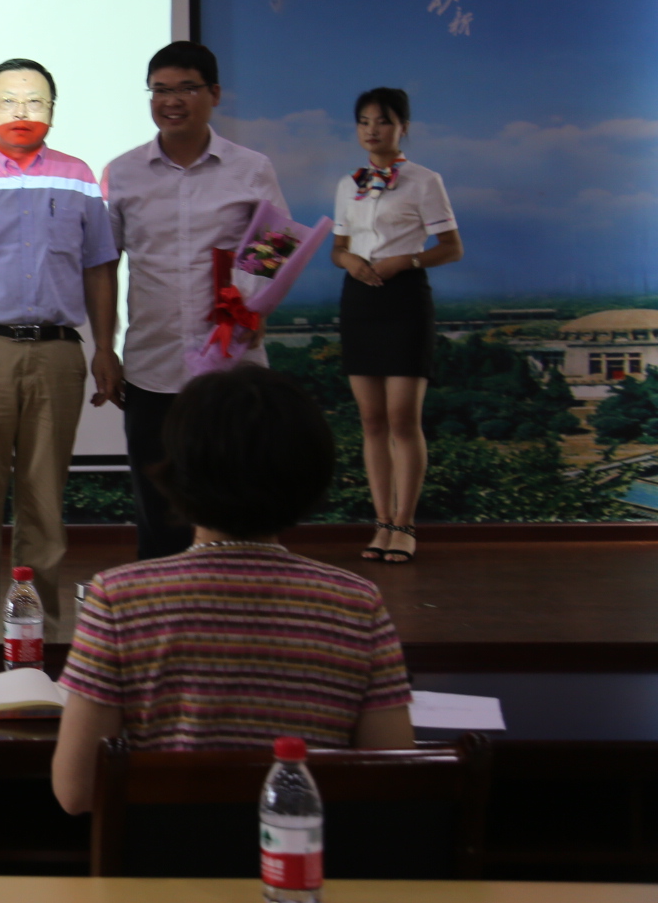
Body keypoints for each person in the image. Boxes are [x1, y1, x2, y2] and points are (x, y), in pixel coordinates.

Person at [51, 365, 415, 816]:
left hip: (166, 859)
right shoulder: (357, 604)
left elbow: (76, 791)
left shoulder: (118, 599)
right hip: (305, 859)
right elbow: (393, 783)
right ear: (311, 473)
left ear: (178, 471)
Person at [0, 58, 118, 645]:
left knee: (44, 510)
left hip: (58, 354)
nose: (22, 112)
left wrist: (105, 348)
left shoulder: (79, 179)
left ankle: (43, 646)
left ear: (53, 112)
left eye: (35, 102)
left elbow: (100, 269)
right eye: (8, 101)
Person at [99, 41, 285, 560]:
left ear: (214, 94)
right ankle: (162, 606)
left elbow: (274, 249)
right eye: (160, 90)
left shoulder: (251, 169)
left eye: (186, 88)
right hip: (152, 368)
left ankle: (241, 604)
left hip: (232, 371)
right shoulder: (123, 172)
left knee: (242, 508)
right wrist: (104, 348)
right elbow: (103, 265)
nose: (171, 101)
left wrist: (256, 309)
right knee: (159, 514)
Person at [332, 87, 464, 565]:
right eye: (364, 121)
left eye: (383, 121)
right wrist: (349, 260)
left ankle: (405, 525)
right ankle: (381, 523)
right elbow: (338, 248)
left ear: (403, 127)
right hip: (359, 300)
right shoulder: (348, 184)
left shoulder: (425, 181)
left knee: (403, 419)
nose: (372, 130)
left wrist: (406, 260)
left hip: (404, 298)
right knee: (371, 420)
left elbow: (451, 247)